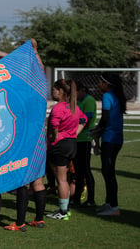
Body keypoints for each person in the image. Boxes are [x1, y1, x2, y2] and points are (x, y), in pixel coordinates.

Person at [5, 38, 47, 231]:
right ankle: (39, 218)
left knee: (22, 177)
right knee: (37, 178)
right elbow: (41, 68)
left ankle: (20, 222)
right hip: (38, 133)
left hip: (23, 134)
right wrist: (35, 50)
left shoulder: (20, 85)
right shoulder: (38, 84)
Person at [46, 79, 87, 220]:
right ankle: (65, 208)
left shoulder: (58, 107)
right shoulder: (73, 107)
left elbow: (54, 125)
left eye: (55, 89)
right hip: (70, 144)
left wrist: (55, 137)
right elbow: (84, 119)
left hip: (59, 145)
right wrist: (74, 134)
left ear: (61, 91)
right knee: (65, 178)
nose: (52, 92)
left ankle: (63, 212)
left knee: (62, 180)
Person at [93, 73, 126, 216]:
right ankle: (109, 203)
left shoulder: (107, 96)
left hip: (110, 139)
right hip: (115, 138)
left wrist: (97, 131)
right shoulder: (115, 95)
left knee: (108, 172)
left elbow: (105, 118)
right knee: (108, 171)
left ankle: (114, 207)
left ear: (107, 84)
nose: (99, 84)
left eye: (101, 82)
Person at [73, 81, 97, 207]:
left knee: (86, 170)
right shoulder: (78, 102)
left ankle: (91, 199)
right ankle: (76, 197)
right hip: (76, 139)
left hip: (85, 140)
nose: (75, 94)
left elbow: (86, 121)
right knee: (78, 171)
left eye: (77, 91)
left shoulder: (89, 101)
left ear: (82, 90)